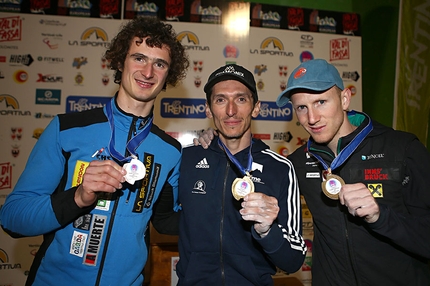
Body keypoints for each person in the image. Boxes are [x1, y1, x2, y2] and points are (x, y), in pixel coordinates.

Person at [198, 59, 430, 285]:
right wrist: (215, 141)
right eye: (302, 107)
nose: (312, 118)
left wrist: (381, 216)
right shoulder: (298, 162)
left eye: (321, 102)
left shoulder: (402, 149)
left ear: (345, 98)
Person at [0, 17, 189, 286]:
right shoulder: (66, 129)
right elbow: (13, 218)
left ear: (168, 74)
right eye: (138, 58)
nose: (148, 72)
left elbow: (167, 222)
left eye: (159, 63)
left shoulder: (170, 151)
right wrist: (78, 197)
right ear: (120, 62)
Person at [177, 64, 307, 285]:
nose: (230, 111)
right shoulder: (185, 160)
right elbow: (163, 220)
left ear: (256, 108)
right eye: (220, 100)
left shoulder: (280, 168)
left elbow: (294, 260)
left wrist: (267, 231)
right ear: (208, 109)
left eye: (240, 99)